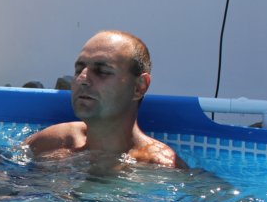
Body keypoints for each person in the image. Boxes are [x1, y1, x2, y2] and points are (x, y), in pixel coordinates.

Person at [24, 30, 187, 168]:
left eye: (102, 71)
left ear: (139, 87)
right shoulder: (51, 142)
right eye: (79, 70)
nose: (82, 79)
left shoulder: (160, 168)